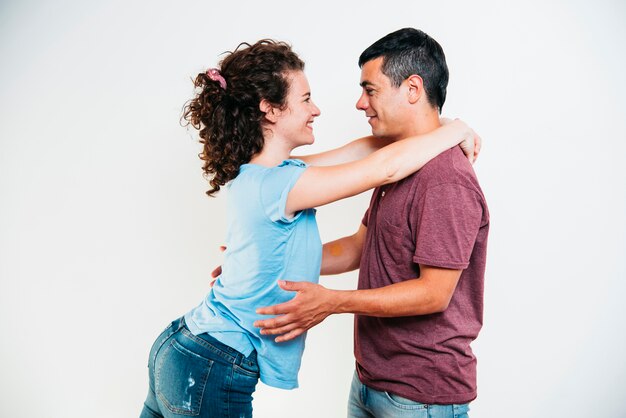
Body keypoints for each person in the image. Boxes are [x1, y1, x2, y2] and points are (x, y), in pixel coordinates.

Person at [140, 39, 479, 418]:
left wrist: (267, 264)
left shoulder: (269, 174)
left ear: (413, 89)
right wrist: (456, 129)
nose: (317, 109)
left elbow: (366, 153)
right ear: (268, 109)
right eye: (305, 99)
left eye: (369, 90)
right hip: (211, 364)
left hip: (182, 348)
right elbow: (383, 166)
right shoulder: (283, 185)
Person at [254, 28, 490, 418]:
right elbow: (359, 248)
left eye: (371, 89)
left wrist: (333, 303)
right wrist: (273, 260)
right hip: (370, 382)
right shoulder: (402, 163)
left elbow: (433, 293)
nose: (360, 103)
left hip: (421, 398)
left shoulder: (445, 181)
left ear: (412, 89)